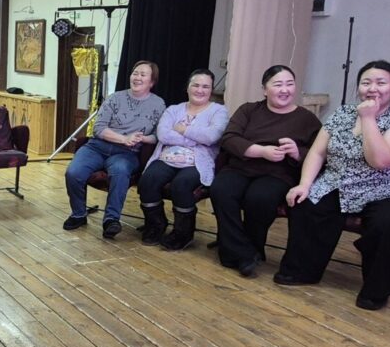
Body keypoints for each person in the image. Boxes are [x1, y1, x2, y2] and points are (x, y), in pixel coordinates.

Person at [275, 61, 390, 310]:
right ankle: (302, 270)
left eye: (381, 83)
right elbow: (318, 152)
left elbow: (380, 161)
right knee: (307, 204)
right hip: (339, 182)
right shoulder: (342, 114)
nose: (372, 88)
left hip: (388, 190)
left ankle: (376, 291)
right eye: (366, 82)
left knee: (388, 224)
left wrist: (368, 118)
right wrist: (304, 184)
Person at [209, 65, 321, 278]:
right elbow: (229, 138)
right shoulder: (249, 110)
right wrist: (261, 151)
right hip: (241, 166)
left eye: (289, 84)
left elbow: (320, 153)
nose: (284, 89)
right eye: (278, 84)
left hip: (278, 173)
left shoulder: (307, 119)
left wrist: (297, 152)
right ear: (264, 89)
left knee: (260, 198)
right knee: (221, 190)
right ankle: (245, 253)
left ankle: (236, 251)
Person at [64, 61, 165, 239]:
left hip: (127, 153)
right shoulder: (114, 98)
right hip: (97, 147)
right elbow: (98, 128)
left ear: (152, 81)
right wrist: (124, 139)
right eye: (135, 73)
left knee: (120, 171)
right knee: (73, 173)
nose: (137, 77)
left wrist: (143, 138)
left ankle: (111, 220)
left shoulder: (158, 104)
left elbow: (158, 135)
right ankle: (78, 214)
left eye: (143, 75)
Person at [137, 69, 228, 250]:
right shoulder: (173, 110)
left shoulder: (219, 111)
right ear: (187, 87)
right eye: (196, 85)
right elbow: (163, 135)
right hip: (167, 157)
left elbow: (211, 137)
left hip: (198, 161)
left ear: (211, 90)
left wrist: (182, 129)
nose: (200, 90)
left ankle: (183, 233)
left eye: (205, 86)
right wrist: (195, 139)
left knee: (182, 184)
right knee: (148, 180)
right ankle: (156, 224)